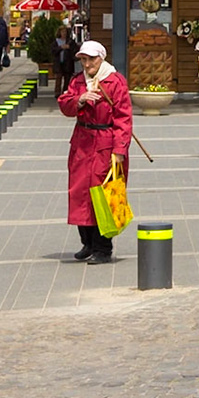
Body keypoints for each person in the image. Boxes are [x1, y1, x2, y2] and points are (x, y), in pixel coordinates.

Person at [59, 39, 132, 264]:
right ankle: (87, 243)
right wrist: (79, 99)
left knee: (102, 194)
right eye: (83, 59)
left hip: (105, 143)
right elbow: (65, 105)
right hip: (82, 142)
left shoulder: (115, 81)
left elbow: (124, 118)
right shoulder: (78, 81)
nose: (87, 64)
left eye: (91, 59)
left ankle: (103, 248)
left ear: (101, 58)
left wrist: (119, 149)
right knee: (80, 192)